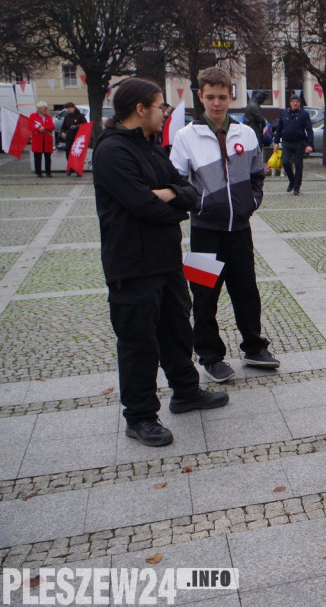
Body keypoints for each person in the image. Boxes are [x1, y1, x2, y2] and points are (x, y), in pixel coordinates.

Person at [93, 78, 229, 447]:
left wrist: (170, 195)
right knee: (138, 343)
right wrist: (173, 206)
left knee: (175, 329)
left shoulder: (151, 148)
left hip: (166, 261)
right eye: (159, 106)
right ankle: (139, 417)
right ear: (140, 110)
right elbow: (142, 206)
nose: (164, 112)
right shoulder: (112, 152)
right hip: (132, 266)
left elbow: (189, 189)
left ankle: (185, 391)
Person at [170, 66, 279, 383]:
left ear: (231, 96)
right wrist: (201, 204)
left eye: (222, 96)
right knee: (204, 296)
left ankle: (254, 347)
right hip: (205, 233)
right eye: (210, 97)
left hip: (240, 231)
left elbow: (258, 175)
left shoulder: (245, 133)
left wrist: (252, 202)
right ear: (200, 97)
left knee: (247, 291)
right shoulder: (186, 137)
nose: (216, 103)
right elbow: (177, 183)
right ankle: (210, 355)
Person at [272, 95, 313, 196]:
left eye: (297, 101)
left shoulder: (304, 114)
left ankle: (296, 187)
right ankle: (292, 180)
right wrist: (276, 142)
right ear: (290, 103)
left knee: (298, 165)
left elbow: (309, 130)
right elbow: (279, 129)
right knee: (285, 162)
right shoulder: (284, 113)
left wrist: (309, 144)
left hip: (300, 142)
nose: (295, 103)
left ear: (299, 103)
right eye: (293, 101)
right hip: (286, 142)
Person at [60, 102, 88, 177]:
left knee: (77, 153)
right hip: (69, 138)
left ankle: (78, 169)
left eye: (69, 108)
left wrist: (77, 126)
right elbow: (63, 127)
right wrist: (62, 132)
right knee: (68, 153)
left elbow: (85, 125)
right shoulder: (67, 117)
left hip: (78, 138)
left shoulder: (80, 116)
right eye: (67, 109)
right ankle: (70, 168)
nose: (68, 110)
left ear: (73, 107)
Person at [30, 101, 55, 178]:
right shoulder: (33, 116)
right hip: (38, 139)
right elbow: (30, 126)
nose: (46, 110)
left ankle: (48, 172)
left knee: (48, 157)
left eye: (46, 108)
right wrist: (38, 129)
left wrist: (45, 128)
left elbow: (52, 126)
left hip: (47, 139)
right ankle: (39, 172)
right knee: (37, 157)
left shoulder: (49, 117)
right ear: (39, 109)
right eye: (45, 108)